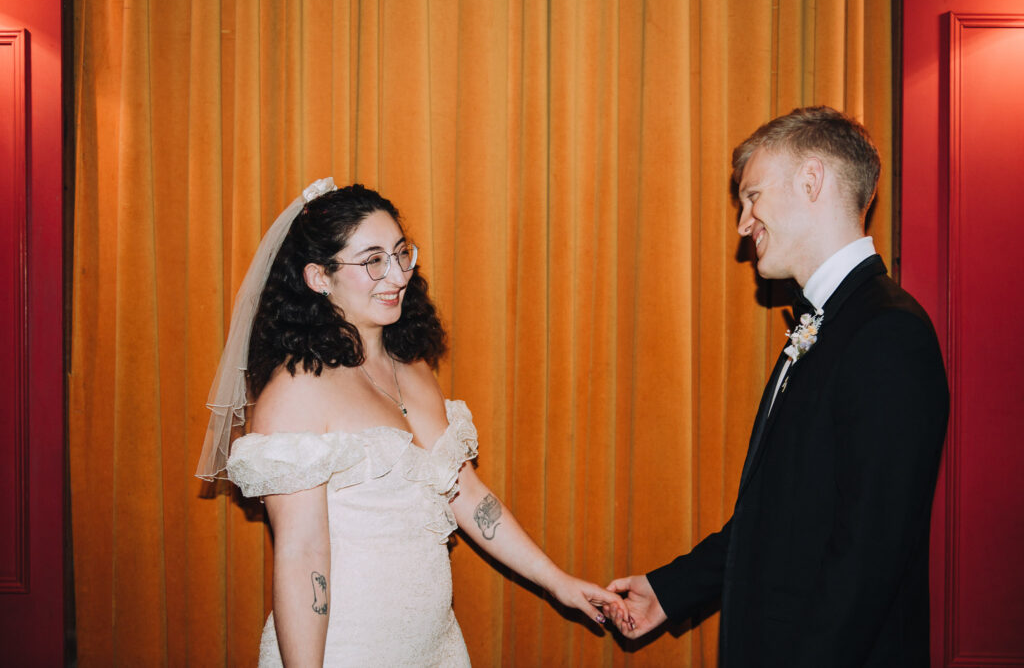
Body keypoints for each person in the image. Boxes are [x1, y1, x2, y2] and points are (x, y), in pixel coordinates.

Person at [196, 179, 623, 666]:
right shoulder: (296, 392)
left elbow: (468, 495)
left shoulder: (414, 370)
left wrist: (558, 582)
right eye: (373, 260)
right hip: (345, 651)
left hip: (435, 647)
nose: (397, 275)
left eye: (401, 254)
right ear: (319, 277)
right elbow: (302, 555)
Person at [606, 106, 949, 667]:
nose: (744, 224)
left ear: (811, 181)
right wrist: (671, 591)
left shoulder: (889, 333)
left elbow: (868, 560)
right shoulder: (830, 323)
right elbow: (783, 518)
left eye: (752, 197)